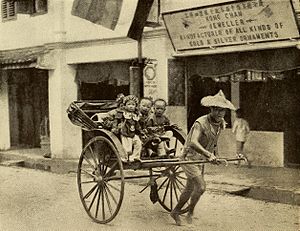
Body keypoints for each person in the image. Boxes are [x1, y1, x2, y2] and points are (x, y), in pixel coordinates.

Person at [170, 90, 236, 226]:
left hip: (199, 159)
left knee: (189, 188)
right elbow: (193, 142)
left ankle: (176, 211)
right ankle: (190, 213)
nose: (219, 113)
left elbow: (214, 142)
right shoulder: (201, 122)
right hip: (189, 157)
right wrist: (209, 155)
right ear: (211, 109)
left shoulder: (220, 123)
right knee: (200, 187)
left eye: (222, 111)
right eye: (216, 110)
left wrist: (216, 156)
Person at [111, 95, 142, 162]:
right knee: (127, 149)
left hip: (133, 133)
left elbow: (137, 124)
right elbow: (116, 121)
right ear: (125, 105)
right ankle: (124, 158)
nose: (131, 106)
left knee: (138, 143)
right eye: (129, 104)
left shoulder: (135, 114)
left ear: (136, 106)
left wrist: (140, 131)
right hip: (124, 132)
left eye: (133, 104)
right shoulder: (122, 113)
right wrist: (115, 127)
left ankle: (134, 156)